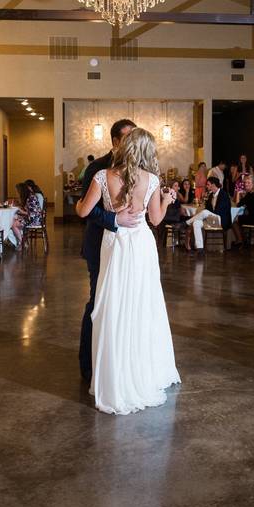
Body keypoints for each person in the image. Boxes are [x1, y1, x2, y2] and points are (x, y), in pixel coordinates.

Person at [75, 127, 180, 414]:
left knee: (114, 305)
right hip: (142, 245)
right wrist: (168, 199)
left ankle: (114, 374)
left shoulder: (102, 176)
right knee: (142, 305)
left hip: (116, 244)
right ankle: (142, 369)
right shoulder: (153, 179)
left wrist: (76, 204)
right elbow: (156, 220)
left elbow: (83, 212)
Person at [78, 118, 139, 382]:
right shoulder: (97, 168)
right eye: (128, 138)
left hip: (129, 249)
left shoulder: (139, 168)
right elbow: (84, 208)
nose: (133, 143)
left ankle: (118, 362)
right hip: (100, 244)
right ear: (115, 141)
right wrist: (115, 220)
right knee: (98, 302)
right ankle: (88, 364)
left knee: (124, 305)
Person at [186, 176, 232, 252]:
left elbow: (219, 211)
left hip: (221, 220)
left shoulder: (224, 195)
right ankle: (200, 248)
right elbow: (207, 209)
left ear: (213, 185)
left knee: (204, 212)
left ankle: (186, 223)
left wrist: (207, 214)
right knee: (196, 223)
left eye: (208, 184)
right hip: (212, 219)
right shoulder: (211, 195)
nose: (206, 186)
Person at [233, 176, 254, 247]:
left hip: (253, 219)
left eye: (248, 183)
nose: (246, 184)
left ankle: (240, 240)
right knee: (238, 217)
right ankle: (244, 239)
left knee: (233, 220)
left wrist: (239, 193)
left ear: (253, 184)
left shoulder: (250, 195)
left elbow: (238, 205)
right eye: (245, 183)